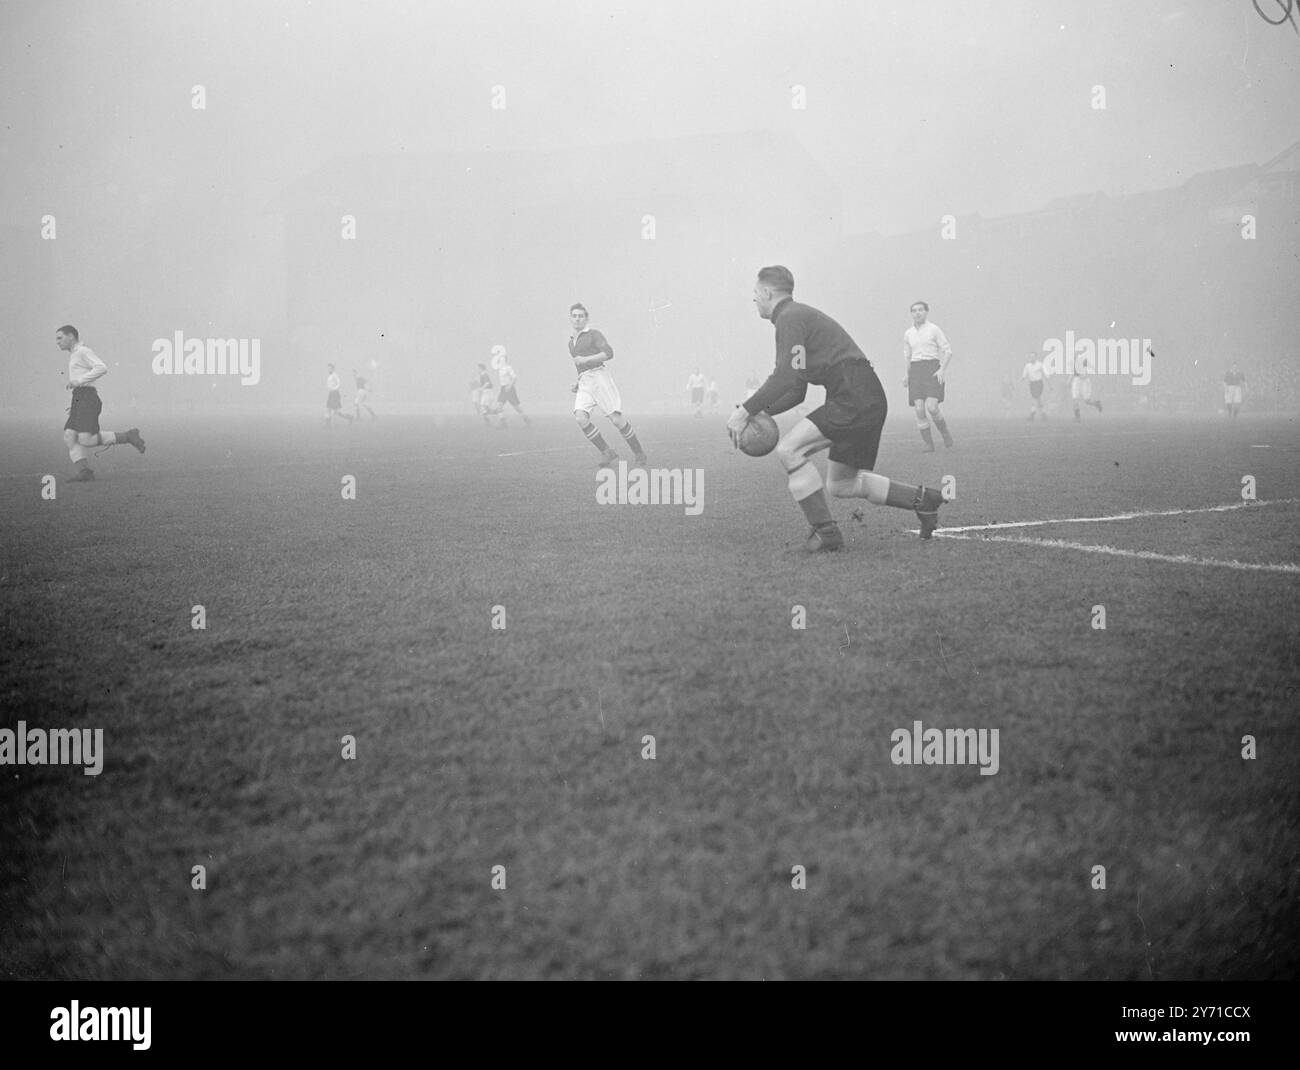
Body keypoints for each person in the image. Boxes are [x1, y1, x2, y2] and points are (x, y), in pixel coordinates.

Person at [726, 266, 946, 551]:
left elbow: (786, 377)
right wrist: (761, 412)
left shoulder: (789, 318)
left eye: (755, 293)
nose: (753, 299)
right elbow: (796, 389)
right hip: (862, 394)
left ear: (768, 292)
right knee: (842, 484)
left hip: (853, 394)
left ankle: (826, 534)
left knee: (789, 450)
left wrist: (744, 411)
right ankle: (923, 500)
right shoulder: (795, 317)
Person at [56, 325, 145, 482]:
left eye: (60, 337)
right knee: (69, 436)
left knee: (86, 440)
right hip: (79, 398)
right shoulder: (74, 354)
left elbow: (102, 368)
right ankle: (84, 472)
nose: (57, 342)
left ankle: (128, 436)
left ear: (71, 336)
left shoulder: (83, 351)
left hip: (88, 399)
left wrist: (79, 380)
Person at [568, 303, 647, 468]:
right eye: (574, 316)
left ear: (586, 318)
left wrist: (586, 360)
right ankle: (606, 451)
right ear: (570, 318)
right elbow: (580, 365)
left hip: (599, 377)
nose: (577, 319)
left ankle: (639, 452)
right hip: (585, 381)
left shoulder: (594, 334)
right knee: (580, 418)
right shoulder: (571, 342)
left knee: (616, 420)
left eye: (580, 316)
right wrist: (578, 381)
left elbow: (609, 353)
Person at [903, 301, 954, 451]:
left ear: (926, 312)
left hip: (931, 369)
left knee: (932, 407)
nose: (917, 313)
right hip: (916, 371)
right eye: (914, 310)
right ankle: (928, 444)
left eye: (920, 310)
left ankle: (945, 434)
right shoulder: (908, 333)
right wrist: (907, 375)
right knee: (919, 409)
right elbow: (907, 356)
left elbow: (948, 351)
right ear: (911, 313)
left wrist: (942, 370)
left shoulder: (934, 329)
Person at [495, 356, 531, 425]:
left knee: (517, 408)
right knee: (499, 407)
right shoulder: (500, 369)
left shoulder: (508, 368)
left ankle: (527, 420)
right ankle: (504, 424)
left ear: (505, 361)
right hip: (503, 389)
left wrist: (509, 386)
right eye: (500, 360)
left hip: (510, 389)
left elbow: (515, 377)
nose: (500, 361)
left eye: (502, 360)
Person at [1022, 353, 1048, 420]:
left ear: (1036, 357)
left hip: (1039, 383)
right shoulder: (1027, 366)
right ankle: (1043, 414)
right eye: (1031, 357)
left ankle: (1032, 414)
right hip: (1032, 384)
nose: (1032, 358)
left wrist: (1049, 384)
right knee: (1038, 399)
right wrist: (1022, 379)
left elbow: (1045, 374)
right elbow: (1024, 374)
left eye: (1033, 357)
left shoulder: (1040, 364)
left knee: (1035, 398)